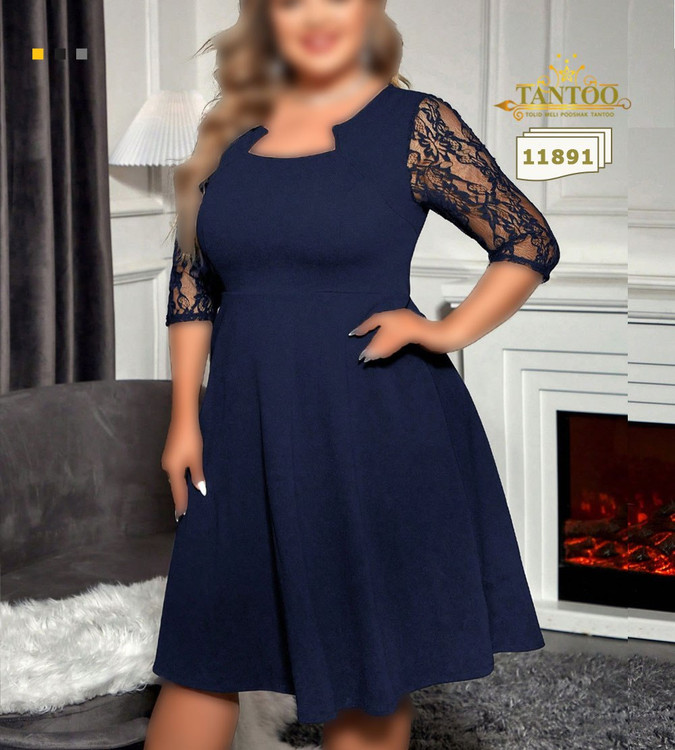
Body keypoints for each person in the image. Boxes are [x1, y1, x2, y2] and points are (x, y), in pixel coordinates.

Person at [144, 0, 560, 748]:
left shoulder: (416, 124)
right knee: (201, 653)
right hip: (243, 422)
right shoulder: (229, 131)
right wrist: (183, 423)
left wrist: (444, 330)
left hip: (373, 421)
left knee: (367, 661)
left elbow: (527, 240)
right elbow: (192, 290)